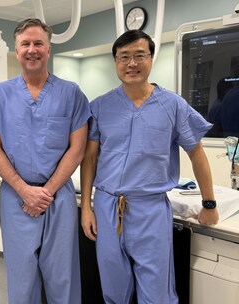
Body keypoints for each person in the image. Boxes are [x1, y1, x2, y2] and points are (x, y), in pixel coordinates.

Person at [80, 30, 219, 304]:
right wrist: (86, 207)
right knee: (113, 287)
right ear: (116, 62)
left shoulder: (173, 105)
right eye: (124, 57)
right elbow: (90, 159)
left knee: (156, 292)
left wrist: (209, 203)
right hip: (107, 206)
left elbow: (197, 153)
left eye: (139, 56)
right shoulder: (101, 106)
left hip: (150, 209)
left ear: (151, 59)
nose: (132, 63)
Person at [0, 18, 91, 304]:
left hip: (58, 198)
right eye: (25, 44)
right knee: (21, 277)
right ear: (16, 51)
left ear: (48, 50)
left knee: (62, 277)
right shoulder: (1, 95)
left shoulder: (71, 93)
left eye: (38, 43)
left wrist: (47, 191)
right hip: (17, 198)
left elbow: (77, 150)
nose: (32, 49)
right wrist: (25, 190)